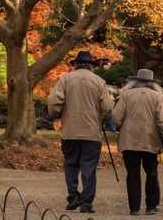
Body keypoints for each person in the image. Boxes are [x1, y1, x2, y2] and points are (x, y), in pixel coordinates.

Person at [48, 51, 113, 214]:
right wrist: (101, 115)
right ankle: (86, 203)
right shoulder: (99, 81)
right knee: (89, 167)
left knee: (70, 164)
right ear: (91, 65)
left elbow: (53, 102)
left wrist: (59, 112)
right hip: (91, 132)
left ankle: (73, 197)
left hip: (70, 130)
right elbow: (107, 108)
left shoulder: (65, 79)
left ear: (75, 64)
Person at [111, 69, 163, 216]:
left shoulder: (126, 96)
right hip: (150, 141)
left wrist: (122, 127)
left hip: (129, 141)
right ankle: (151, 205)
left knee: (132, 174)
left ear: (135, 81)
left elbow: (115, 119)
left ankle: (134, 207)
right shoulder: (157, 97)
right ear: (152, 83)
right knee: (151, 172)